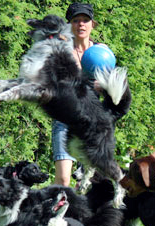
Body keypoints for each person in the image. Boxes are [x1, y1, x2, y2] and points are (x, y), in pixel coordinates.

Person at [52, 3, 98, 186]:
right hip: (65, 121)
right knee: (63, 178)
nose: (81, 24)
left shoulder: (101, 53)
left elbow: (113, 85)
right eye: (76, 20)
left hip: (91, 121)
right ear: (69, 25)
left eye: (85, 20)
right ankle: (50, 214)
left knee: (90, 181)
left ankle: (82, 214)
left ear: (92, 24)